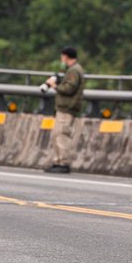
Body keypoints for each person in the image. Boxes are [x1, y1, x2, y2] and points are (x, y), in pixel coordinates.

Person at [44, 46, 85, 174]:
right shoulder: (73, 70)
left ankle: (63, 163)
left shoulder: (74, 70)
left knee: (62, 135)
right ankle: (58, 161)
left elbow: (69, 88)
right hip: (64, 108)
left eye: (62, 56)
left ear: (66, 56)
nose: (61, 59)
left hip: (67, 108)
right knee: (57, 135)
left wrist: (55, 86)